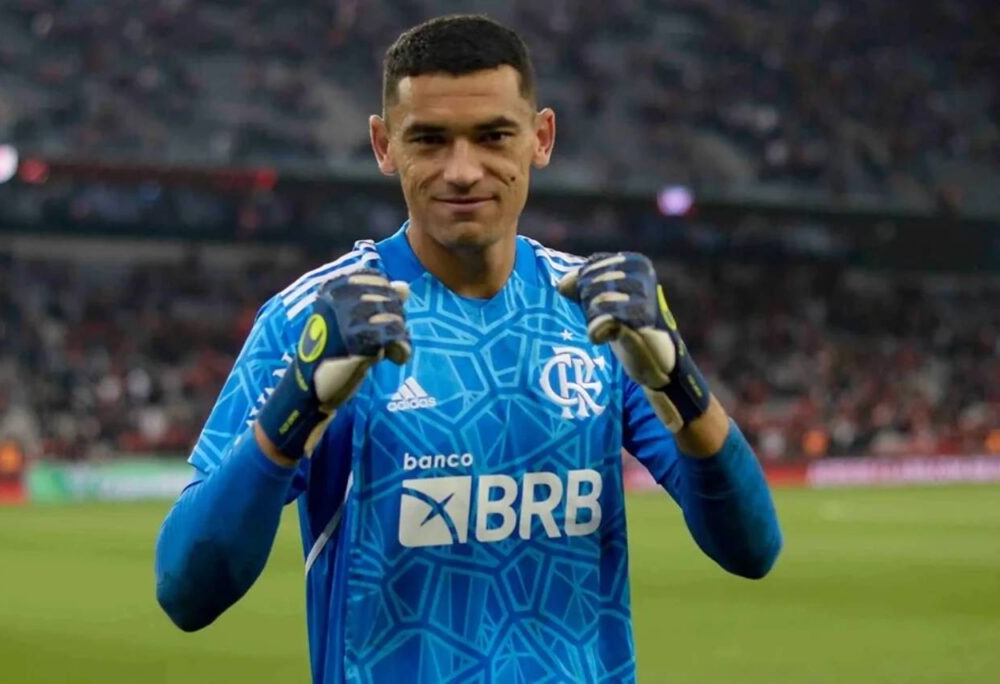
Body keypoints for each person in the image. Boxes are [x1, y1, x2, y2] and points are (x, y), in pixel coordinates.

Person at [155, 14, 782, 683]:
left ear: (541, 137)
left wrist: (678, 378)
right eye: (429, 139)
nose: (462, 171)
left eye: (493, 136)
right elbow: (187, 591)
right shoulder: (314, 319)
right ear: (383, 145)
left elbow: (751, 549)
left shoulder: (595, 311)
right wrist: (297, 408)